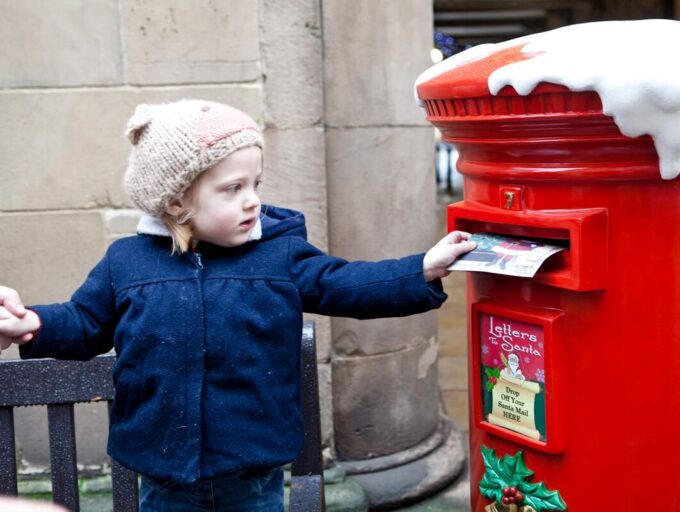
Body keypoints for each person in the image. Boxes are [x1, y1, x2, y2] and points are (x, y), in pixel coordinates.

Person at [0, 100, 475, 512]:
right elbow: (85, 322)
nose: (252, 202)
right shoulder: (126, 261)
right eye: (232, 189)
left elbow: (344, 283)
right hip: (163, 470)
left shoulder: (279, 255)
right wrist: (32, 323)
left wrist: (423, 268)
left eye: (255, 185)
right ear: (177, 198)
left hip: (251, 472)